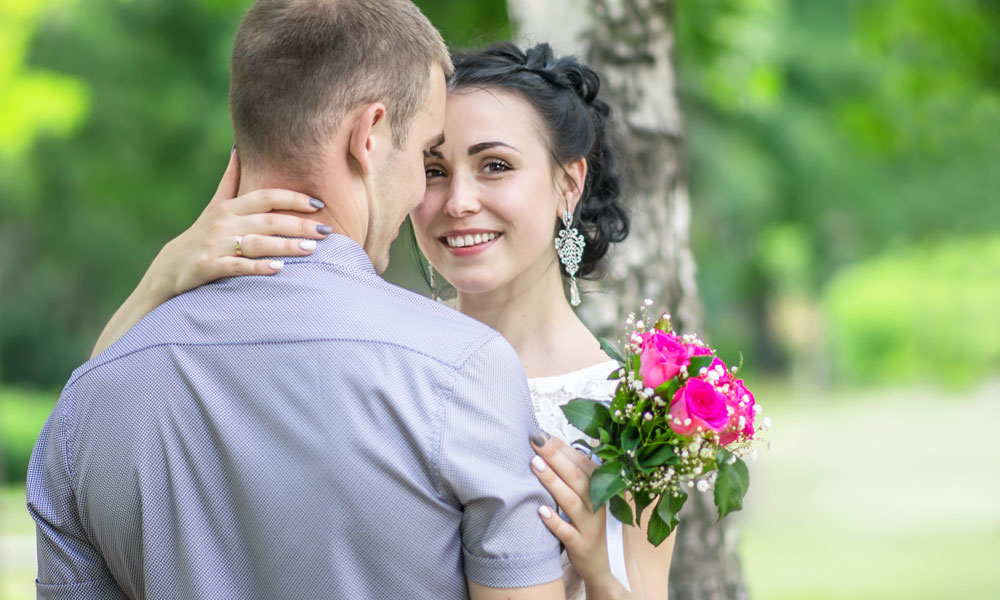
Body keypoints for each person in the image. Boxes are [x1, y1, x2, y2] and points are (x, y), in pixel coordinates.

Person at [88, 39, 677, 598]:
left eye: (495, 166)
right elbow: (96, 403)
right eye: (434, 167)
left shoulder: (638, 412)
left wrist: (598, 572)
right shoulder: (379, 351)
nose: (458, 201)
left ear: (567, 183)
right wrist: (163, 276)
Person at [26, 2, 568, 598]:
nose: (421, 191)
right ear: (369, 136)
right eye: (425, 154)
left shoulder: (90, 402)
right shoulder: (462, 369)